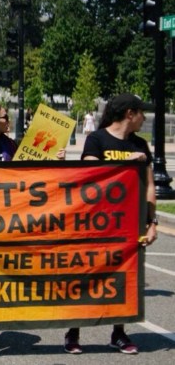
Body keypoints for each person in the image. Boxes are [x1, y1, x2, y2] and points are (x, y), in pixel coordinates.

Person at [63, 94, 158, 355]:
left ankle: (119, 332)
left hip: (128, 224)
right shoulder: (97, 139)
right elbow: (90, 170)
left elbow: (149, 186)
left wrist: (152, 222)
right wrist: (128, 161)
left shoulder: (140, 144)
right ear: (130, 113)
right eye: (141, 112)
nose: (144, 118)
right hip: (96, 222)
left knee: (123, 277)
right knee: (85, 275)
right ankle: (73, 330)